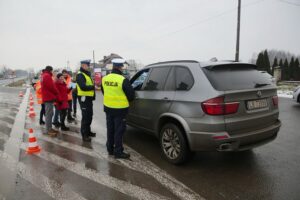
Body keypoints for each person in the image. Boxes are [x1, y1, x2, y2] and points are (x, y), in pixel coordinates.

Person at [101, 58, 135, 159]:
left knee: (110, 129)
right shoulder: (123, 80)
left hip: (108, 108)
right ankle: (118, 152)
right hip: (120, 110)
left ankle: (110, 148)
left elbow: (104, 92)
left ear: (113, 66)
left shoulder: (105, 79)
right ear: (121, 67)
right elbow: (131, 96)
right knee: (119, 131)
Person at [76, 60, 96, 142]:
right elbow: (83, 87)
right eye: (88, 65)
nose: (89, 67)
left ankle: (88, 131)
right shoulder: (80, 75)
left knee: (89, 115)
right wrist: (93, 87)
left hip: (88, 98)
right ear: (83, 65)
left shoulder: (86, 74)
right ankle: (84, 135)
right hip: (84, 98)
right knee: (85, 116)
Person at [41, 66, 59, 137]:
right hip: (48, 97)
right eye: (52, 71)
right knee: (49, 114)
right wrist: (57, 92)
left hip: (47, 97)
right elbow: (51, 86)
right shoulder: (47, 76)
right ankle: (48, 130)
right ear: (50, 70)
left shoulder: (44, 75)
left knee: (50, 113)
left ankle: (50, 128)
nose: (53, 72)